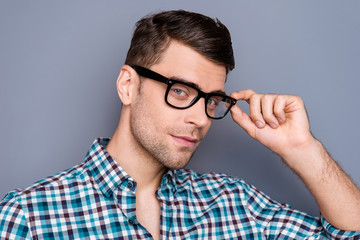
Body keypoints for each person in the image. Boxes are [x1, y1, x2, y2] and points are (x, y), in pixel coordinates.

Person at [1, 10, 359, 240]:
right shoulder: (28, 218)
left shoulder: (234, 203)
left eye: (212, 100)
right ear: (128, 85)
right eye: (182, 91)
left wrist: (304, 151)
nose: (201, 118)